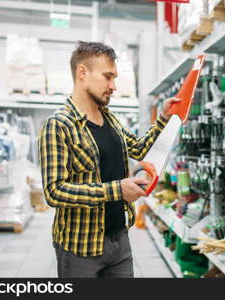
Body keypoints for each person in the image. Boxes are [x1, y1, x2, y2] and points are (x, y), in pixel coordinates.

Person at [38, 41, 179, 278]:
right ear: (82, 73)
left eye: (115, 78)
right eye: (107, 77)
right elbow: (54, 192)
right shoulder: (58, 125)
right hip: (80, 248)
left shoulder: (110, 119)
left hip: (119, 239)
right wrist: (117, 190)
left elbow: (139, 148)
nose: (113, 86)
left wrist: (163, 118)